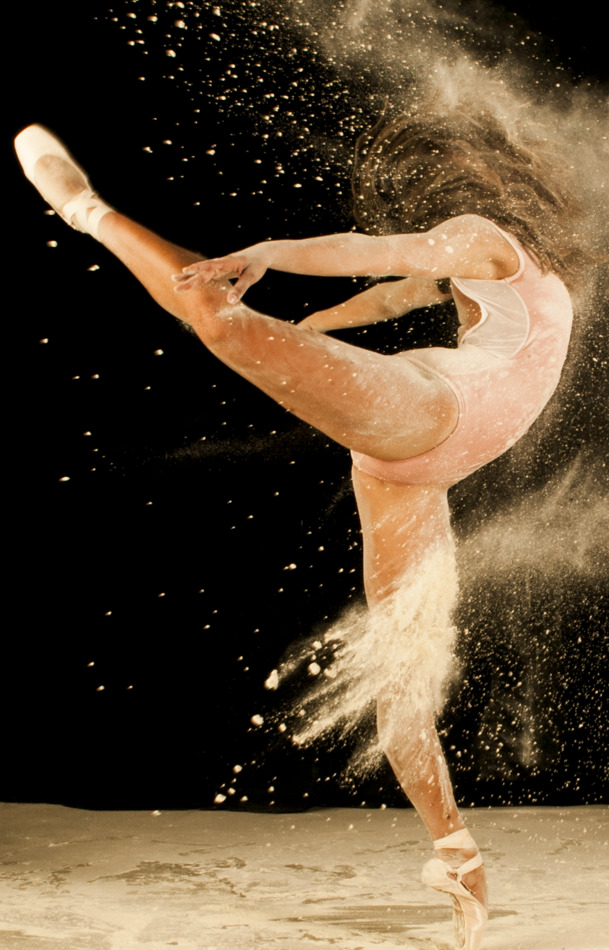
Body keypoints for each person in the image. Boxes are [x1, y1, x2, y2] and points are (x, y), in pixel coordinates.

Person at [15, 110, 579, 950]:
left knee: (401, 680)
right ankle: (85, 209)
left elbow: (376, 254)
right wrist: (313, 338)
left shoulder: (483, 239)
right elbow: (388, 289)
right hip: (423, 427)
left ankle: (457, 857)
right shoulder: (482, 257)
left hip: (424, 445)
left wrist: (273, 257)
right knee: (215, 317)